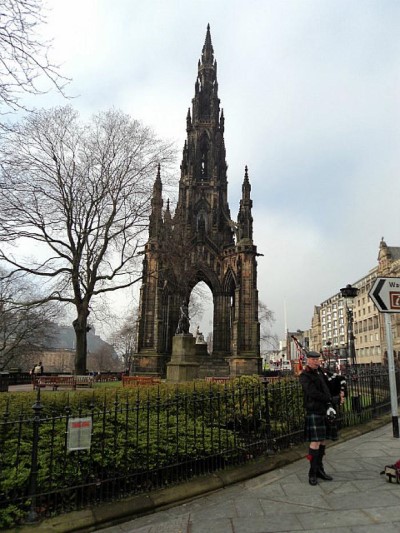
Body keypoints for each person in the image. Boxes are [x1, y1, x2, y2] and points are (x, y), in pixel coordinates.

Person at [299, 351, 345, 486]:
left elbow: (336, 381)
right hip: (314, 410)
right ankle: (312, 473)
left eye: (316, 359)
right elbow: (312, 393)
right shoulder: (305, 376)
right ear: (307, 360)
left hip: (326, 410)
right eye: (312, 359)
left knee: (323, 441)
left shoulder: (322, 373)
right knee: (315, 442)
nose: (315, 361)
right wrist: (331, 399)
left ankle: (320, 469)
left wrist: (342, 391)